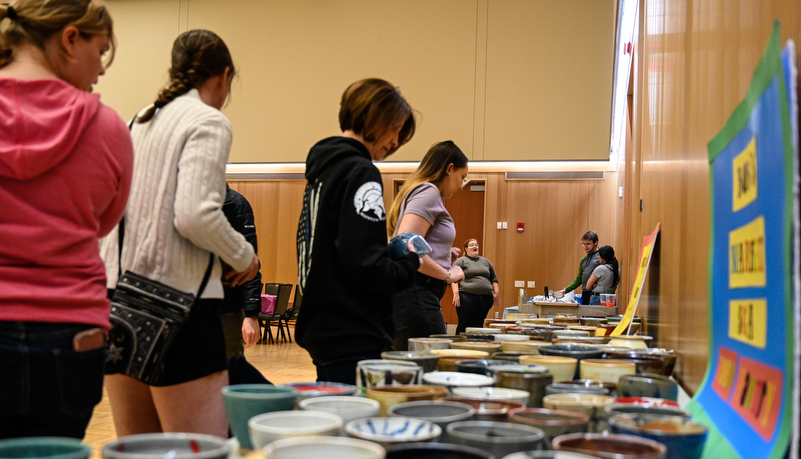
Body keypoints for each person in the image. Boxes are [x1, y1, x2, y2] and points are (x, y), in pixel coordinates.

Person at [100, 29, 259, 437]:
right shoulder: (208, 120)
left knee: (138, 447)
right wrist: (245, 257)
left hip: (119, 301)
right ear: (223, 76)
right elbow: (195, 215)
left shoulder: (140, 119)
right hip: (180, 305)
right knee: (198, 448)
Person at [0, 0, 132, 439]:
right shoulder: (109, 128)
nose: (103, 68)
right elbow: (103, 223)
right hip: (72, 330)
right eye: (102, 51)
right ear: (71, 38)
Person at [296, 78, 421, 385]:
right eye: (395, 131)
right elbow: (366, 263)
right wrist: (408, 264)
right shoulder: (362, 171)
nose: (394, 143)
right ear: (377, 119)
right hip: (351, 330)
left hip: (321, 324)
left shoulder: (323, 170)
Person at [387, 141, 469, 350]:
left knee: (413, 370)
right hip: (416, 292)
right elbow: (405, 246)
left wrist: (440, 252)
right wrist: (448, 275)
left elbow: (410, 242)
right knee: (434, 364)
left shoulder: (422, 191)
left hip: (415, 292)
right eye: (462, 177)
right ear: (449, 168)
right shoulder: (429, 192)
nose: (462, 185)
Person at [220, 184, 271, 385]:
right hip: (193, 307)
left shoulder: (237, 204)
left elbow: (250, 263)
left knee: (232, 369)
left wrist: (251, 314)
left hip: (228, 308)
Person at [451, 239, 501, 334]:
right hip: (467, 297)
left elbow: (494, 279)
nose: (475, 246)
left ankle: (475, 344)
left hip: (486, 298)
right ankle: (460, 344)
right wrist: (456, 294)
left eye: (476, 245)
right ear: (466, 249)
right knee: (465, 323)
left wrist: (496, 293)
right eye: (472, 245)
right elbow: (454, 278)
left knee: (478, 323)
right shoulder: (461, 261)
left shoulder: (485, 261)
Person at [559, 230, 600, 305]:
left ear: (596, 242)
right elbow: (579, 279)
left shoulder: (601, 255)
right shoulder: (583, 260)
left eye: (588, 244)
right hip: (585, 292)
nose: (585, 246)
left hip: (596, 293)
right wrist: (565, 290)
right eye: (584, 244)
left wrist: (599, 282)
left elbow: (608, 272)